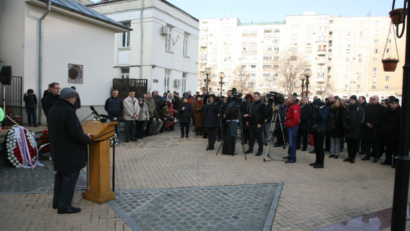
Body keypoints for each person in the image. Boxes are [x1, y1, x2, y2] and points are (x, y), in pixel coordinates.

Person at [48, 87, 91, 214]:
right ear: (70, 99)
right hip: (69, 152)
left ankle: (57, 202)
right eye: (75, 99)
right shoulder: (68, 112)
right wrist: (86, 138)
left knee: (60, 177)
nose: (75, 102)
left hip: (58, 150)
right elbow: (75, 134)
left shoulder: (53, 109)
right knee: (69, 179)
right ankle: (65, 206)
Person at [362, 95, 385, 163]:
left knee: (376, 144)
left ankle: (376, 156)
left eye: (374, 99)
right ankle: (367, 155)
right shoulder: (367, 107)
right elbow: (364, 116)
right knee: (367, 143)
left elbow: (381, 118)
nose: (372, 100)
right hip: (368, 128)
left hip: (376, 128)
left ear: (377, 100)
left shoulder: (382, 108)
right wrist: (366, 123)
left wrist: (373, 124)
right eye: (371, 99)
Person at [343, 95, 365, 163]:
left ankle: (353, 157)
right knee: (349, 145)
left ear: (355, 101)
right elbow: (344, 118)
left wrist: (351, 127)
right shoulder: (347, 108)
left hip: (355, 130)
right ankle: (349, 156)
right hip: (348, 129)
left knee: (355, 145)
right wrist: (346, 126)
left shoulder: (360, 109)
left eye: (352, 100)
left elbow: (359, 120)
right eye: (350, 100)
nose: (351, 101)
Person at [308, 98, 329, 168]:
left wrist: (319, 111)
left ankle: (321, 162)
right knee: (316, 147)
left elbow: (323, 118)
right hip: (315, 129)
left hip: (320, 130)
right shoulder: (315, 110)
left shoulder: (324, 109)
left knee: (320, 147)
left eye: (315, 105)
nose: (314, 106)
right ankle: (317, 161)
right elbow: (313, 117)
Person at [381, 97, 400, 167]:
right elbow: (384, 119)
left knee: (396, 149)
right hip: (387, 132)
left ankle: (395, 163)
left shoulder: (400, 111)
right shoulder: (388, 110)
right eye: (390, 103)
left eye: (393, 103)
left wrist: (389, 128)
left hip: (395, 133)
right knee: (388, 148)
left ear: (397, 104)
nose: (391, 105)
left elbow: (399, 123)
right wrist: (385, 127)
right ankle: (388, 160)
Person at [284, 95, 301, 163]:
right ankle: (290, 155)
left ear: (292, 100)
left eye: (289, 98)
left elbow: (296, 118)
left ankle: (292, 158)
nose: (287, 99)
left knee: (292, 142)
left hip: (292, 127)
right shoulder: (290, 106)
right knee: (290, 142)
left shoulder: (295, 106)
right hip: (289, 125)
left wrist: (291, 124)